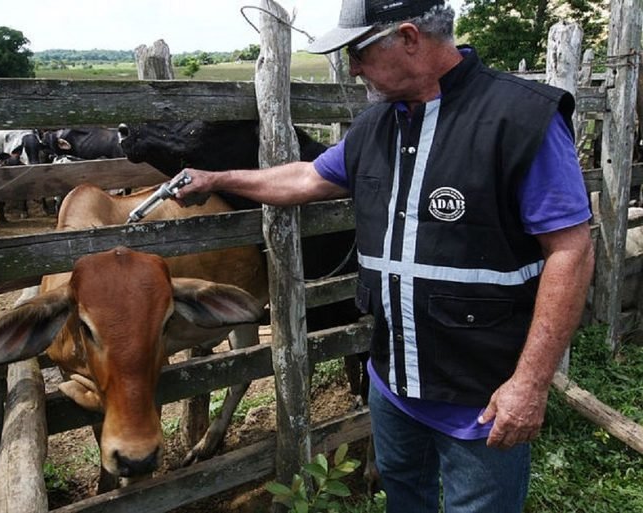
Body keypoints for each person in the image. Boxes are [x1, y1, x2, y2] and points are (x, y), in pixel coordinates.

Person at [173, 0, 595, 511]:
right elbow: (308, 176)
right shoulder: (377, 127)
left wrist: (528, 385)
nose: (352, 66)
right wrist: (217, 179)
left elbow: (570, 251)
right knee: (404, 498)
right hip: (392, 382)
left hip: (482, 395)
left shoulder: (521, 118)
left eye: (358, 50)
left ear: (410, 38)